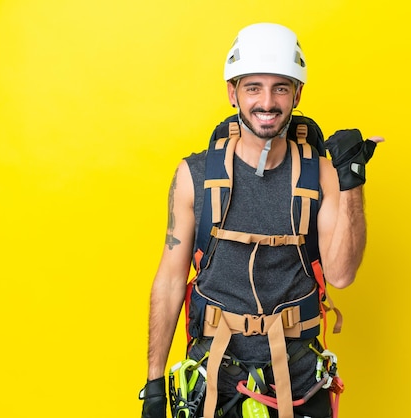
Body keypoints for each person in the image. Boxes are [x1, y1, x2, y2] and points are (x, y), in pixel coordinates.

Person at [140, 22, 383, 418]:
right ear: (232, 92)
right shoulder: (194, 176)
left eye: (280, 87)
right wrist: (152, 384)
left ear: (297, 94)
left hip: (300, 382)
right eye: (253, 87)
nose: (266, 102)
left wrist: (351, 181)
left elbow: (341, 274)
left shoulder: (321, 174)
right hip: (214, 382)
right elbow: (169, 281)